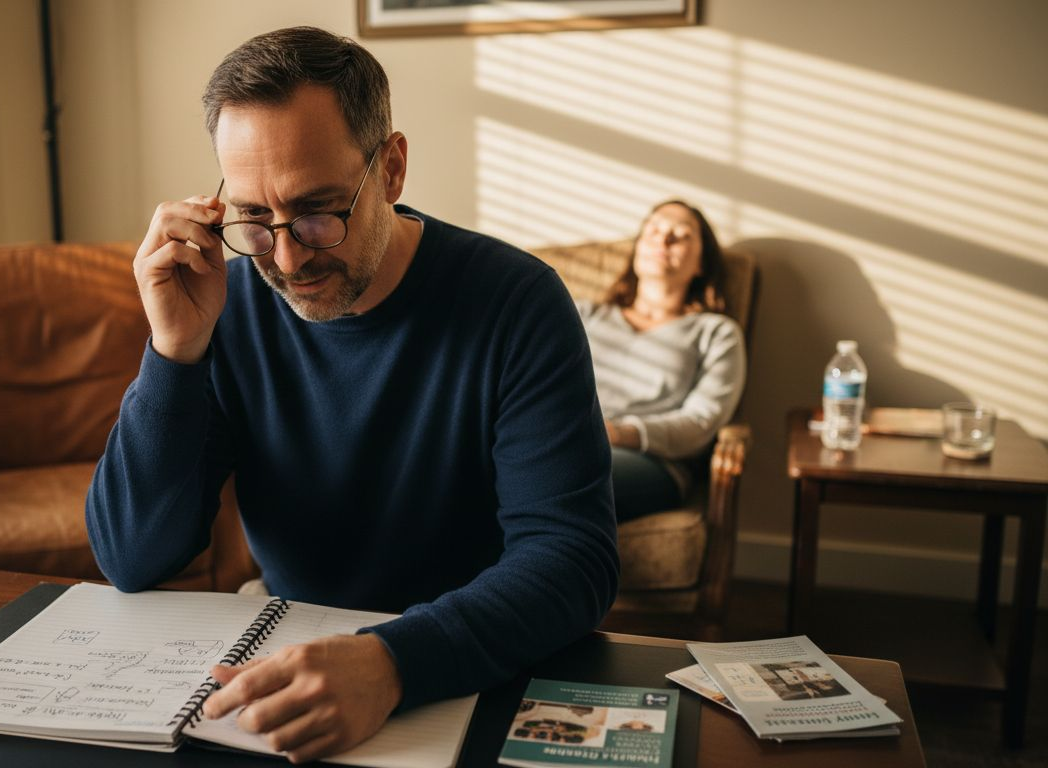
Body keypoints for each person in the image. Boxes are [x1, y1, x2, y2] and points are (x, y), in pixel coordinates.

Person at [85, 26, 619, 763]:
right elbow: (130, 558)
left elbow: (572, 557)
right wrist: (174, 353)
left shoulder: (516, 303)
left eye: (317, 211)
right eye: (254, 218)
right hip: (293, 667)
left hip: (469, 671)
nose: (287, 258)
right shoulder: (223, 310)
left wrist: (392, 661)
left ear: (391, 169)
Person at [575, 200, 746, 523]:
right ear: (637, 249)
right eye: (653, 230)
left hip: (652, 462)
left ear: (701, 264)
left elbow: (701, 421)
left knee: (567, 475)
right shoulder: (582, 315)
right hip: (565, 441)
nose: (663, 240)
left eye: (680, 235)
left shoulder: (716, 332)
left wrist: (619, 433)